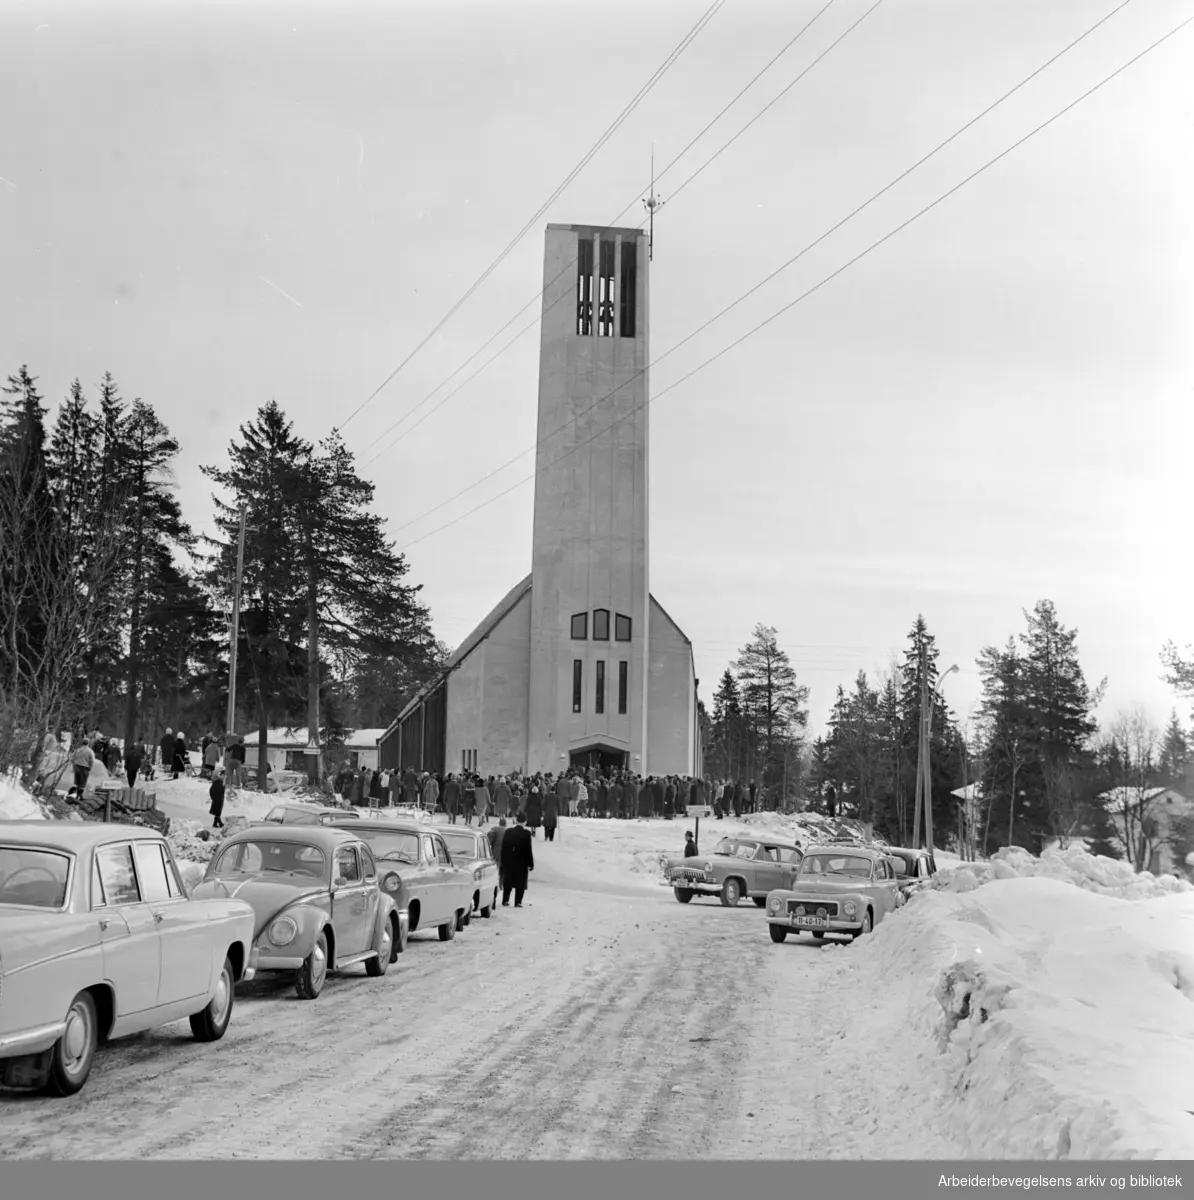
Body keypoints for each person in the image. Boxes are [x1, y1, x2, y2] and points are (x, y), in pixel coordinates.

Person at [499, 813, 534, 907]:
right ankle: (518, 902)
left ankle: (505, 900)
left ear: (517, 821)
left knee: (508, 881)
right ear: (525, 822)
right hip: (522, 862)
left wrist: (502, 860)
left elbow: (504, 847)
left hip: (509, 861)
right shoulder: (526, 834)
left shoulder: (508, 832)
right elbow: (528, 849)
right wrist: (531, 863)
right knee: (520, 883)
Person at [488, 817, 508, 891]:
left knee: (495, 869)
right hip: (504, 853)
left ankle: (494, 884)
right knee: (502, 871)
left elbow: (489, 839)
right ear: (505, 824)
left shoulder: (495, 829)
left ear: (499, 823)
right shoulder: (507, 831)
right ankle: (501, 884)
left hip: (495, 852)